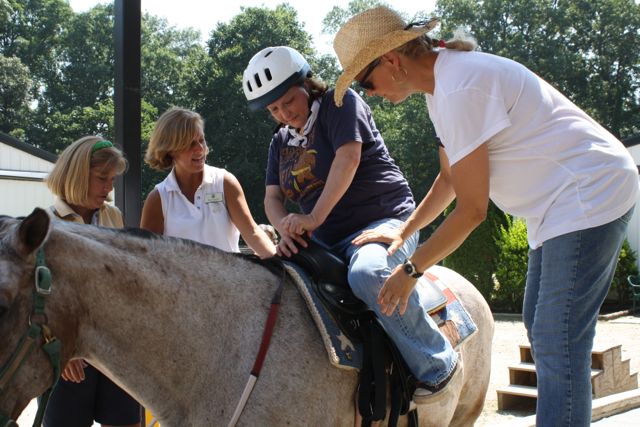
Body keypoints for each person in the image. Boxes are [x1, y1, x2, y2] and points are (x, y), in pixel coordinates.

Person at [332, 6, 640, 426]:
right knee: (540, 323)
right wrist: (402, 232)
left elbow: (473, 211)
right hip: (556, 205)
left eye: (365, 81)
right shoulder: (442, 91)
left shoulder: (460, 87)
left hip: (588, 190)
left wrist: (411, 269)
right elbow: (449, 179)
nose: (367, 93)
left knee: (557, 339)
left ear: (391, 60)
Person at [242, 45, 461, 403]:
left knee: (367, 274)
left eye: (287, 101)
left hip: (383, 221)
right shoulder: (280, 141)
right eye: (273, 109)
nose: (283, 114)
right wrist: (286, 230)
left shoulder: (340, 104)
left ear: (306, 84)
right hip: (326, 239)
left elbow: (348, 157)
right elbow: (272, 198)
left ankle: (437, 363)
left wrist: (312, 218)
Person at [43, 136, 141, 427]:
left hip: (114, 351)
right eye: (102, 178)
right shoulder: (47, 224)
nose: (109, 189)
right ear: (75, 175)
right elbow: (41, 300)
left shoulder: (113, 216)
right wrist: (62, 348)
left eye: (111, 179)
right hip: (69, 359)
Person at [140, 107, 276, 258]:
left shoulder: (225, 182)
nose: (199, 149)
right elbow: (147, 259)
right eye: (190, 144)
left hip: (230, 281)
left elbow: (252, 232)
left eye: (201, 140)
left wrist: (283, 267)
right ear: (170, 149)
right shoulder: (158, 199)